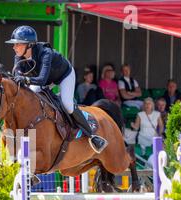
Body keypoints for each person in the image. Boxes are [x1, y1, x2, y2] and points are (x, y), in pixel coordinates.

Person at [6, 25, 107, 153]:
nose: (14, 47)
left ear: (29, 45)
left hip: (63, 76)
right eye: (14, 44)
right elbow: (18, 79)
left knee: (67, 104)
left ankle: (92, 135)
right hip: (44, 80)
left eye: (17, 44)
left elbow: (41, 79)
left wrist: (25, 79)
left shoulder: (45, 53)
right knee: (32, 97)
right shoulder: (18, 57)